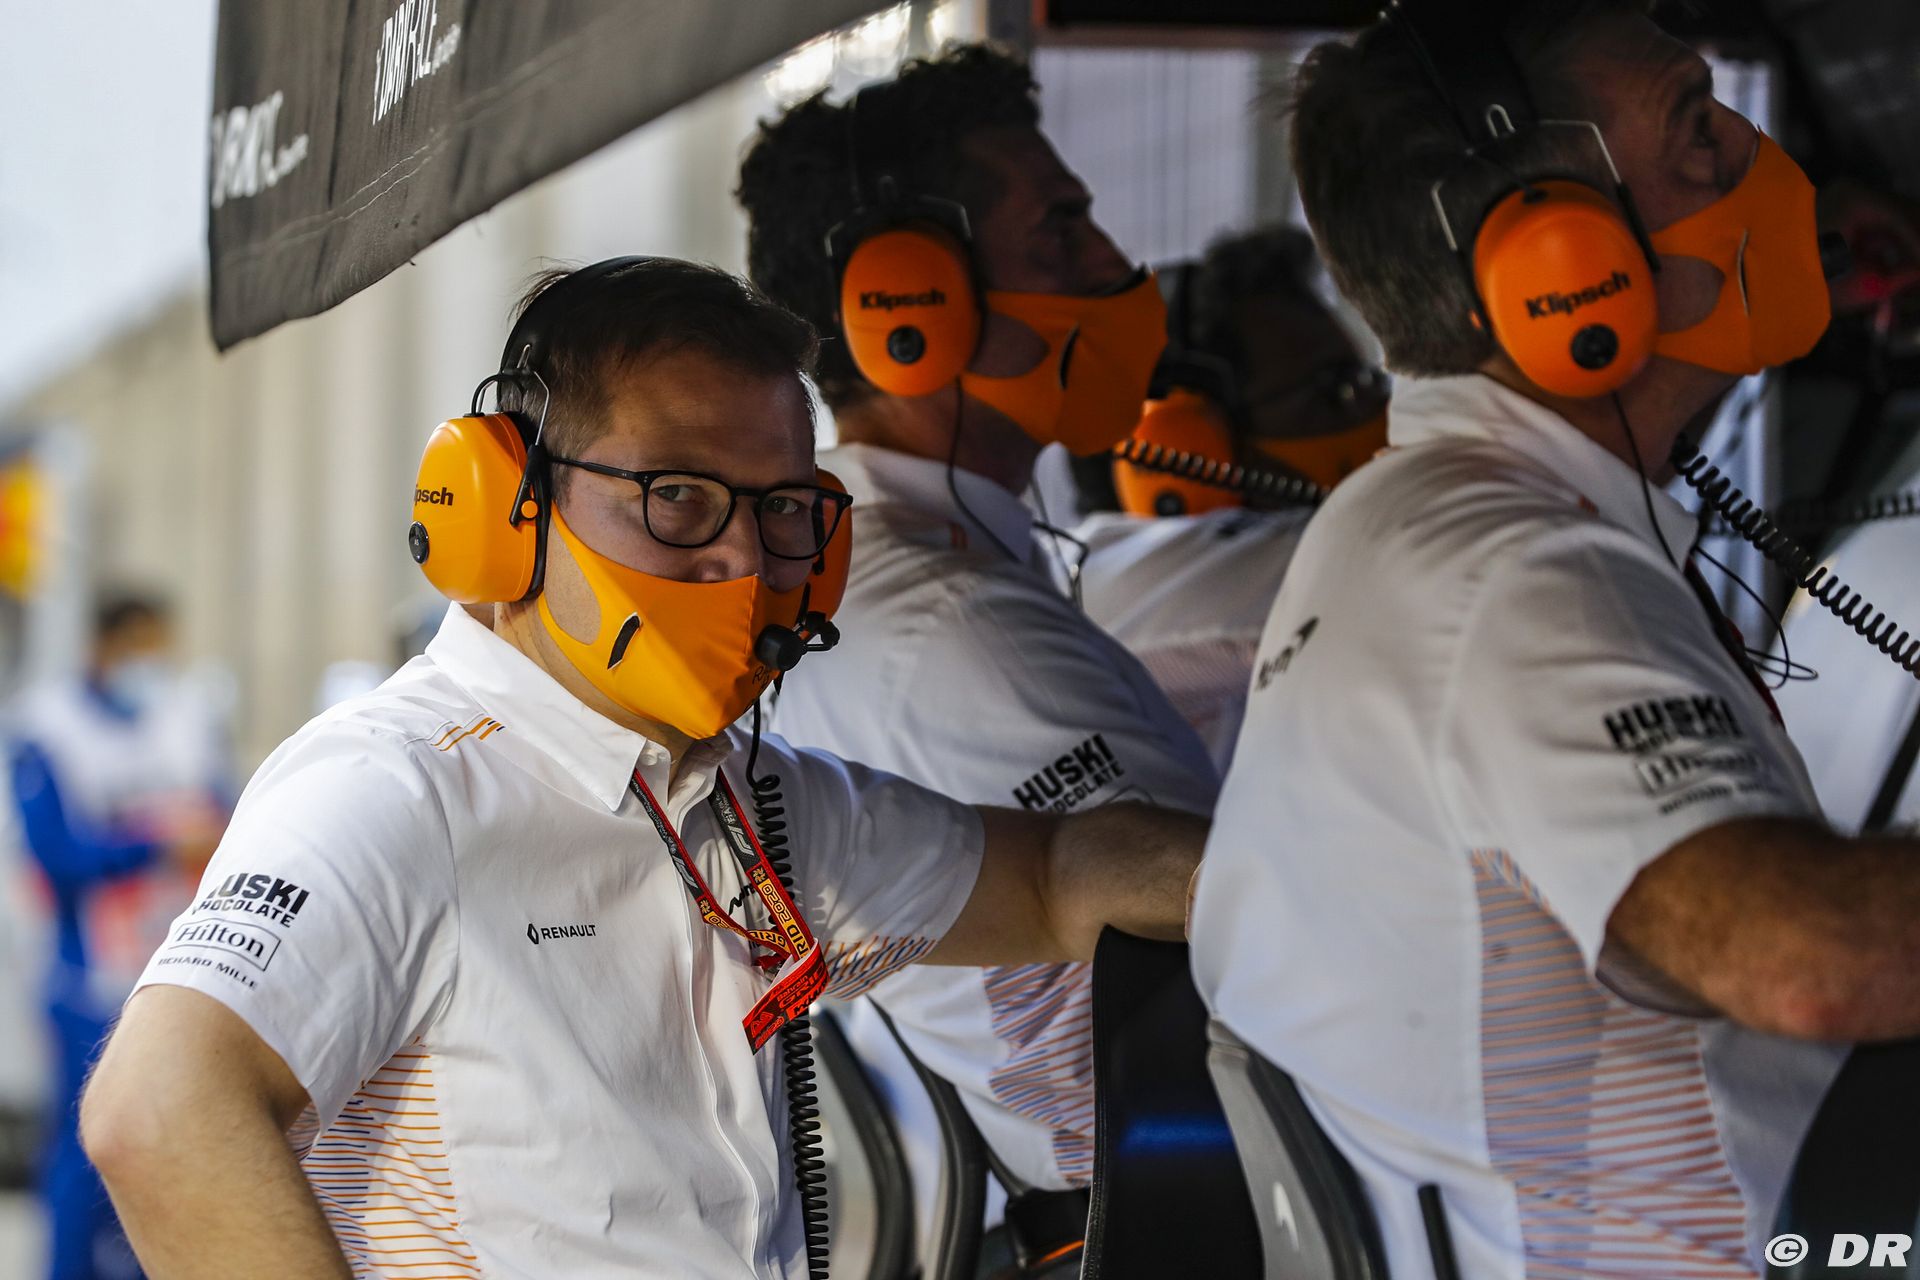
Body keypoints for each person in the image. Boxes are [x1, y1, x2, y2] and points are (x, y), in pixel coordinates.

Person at [75, 258, 1205, 1280]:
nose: (743, 558)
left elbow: (1053, 876)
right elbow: (160, 1111)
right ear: (507, 510)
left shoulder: (747, 803)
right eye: (678, 497)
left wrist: (1274, 869)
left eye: (782, 509)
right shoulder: (396, 787)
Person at [1189, 1, 1916, 1275]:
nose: (1759, 161)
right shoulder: (1516, 573)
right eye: (1697, 131)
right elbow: (1809, 962)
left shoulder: (1414, 523)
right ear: (1562, 262)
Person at [737, 45, 1218, 1269]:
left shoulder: (860, 566)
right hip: (1191, 1225)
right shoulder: (948, 626)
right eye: (1059, 229)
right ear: (909, 305)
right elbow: (1249, 933)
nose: (1112, 264)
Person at [1072, 226, 1391, 766]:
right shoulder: (1119, 584)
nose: (1377, 413)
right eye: (1333, 392)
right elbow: (1402, 557)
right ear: (1185, 448)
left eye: (1367, 382)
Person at [6, 592, 228, 1280]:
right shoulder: (47, 730)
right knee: (88, 1149)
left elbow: (227, 817)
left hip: (174, 970)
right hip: (86, 975)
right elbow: (57, 856)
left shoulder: (186, 719)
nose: (152, 663)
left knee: (163, 1151)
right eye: (140, 647)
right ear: (104, 646)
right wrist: (156, 847)